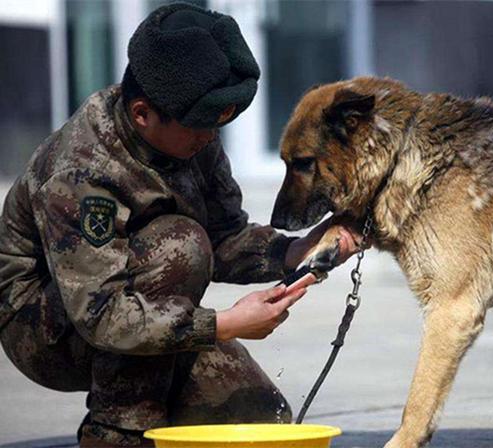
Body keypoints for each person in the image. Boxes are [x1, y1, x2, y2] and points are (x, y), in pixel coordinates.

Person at [0, 3, 360, 447]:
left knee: (259, 416)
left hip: (144, 303)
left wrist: (296, 251)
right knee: (181, 245)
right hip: (48, 328)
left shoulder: (192, 134)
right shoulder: (81, 173)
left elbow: (224, 236)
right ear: (141, 114)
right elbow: (103, 314)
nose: (210, 138)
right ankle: (117, 430)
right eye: (199, 127)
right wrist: (225, 324)